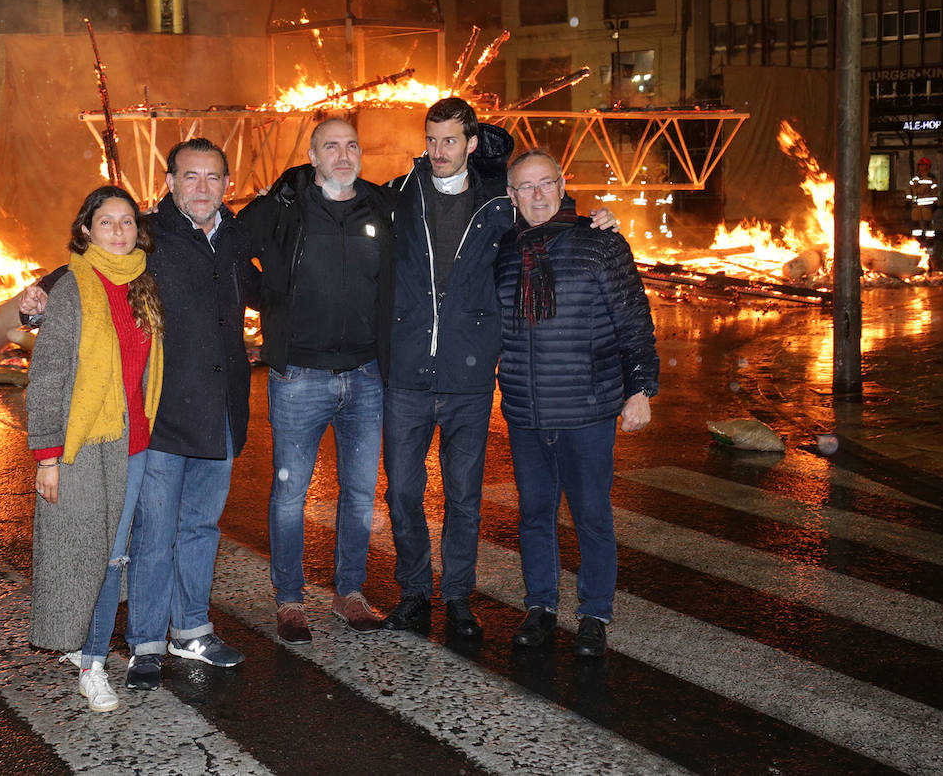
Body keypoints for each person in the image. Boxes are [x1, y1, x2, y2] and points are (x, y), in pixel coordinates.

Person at [381, 98, 618, 640]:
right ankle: (415, 591)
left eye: (449, 140)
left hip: (468, 378)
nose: (438, 151)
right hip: (408, 374)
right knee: (401, 493)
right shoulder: (400, 195)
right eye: (431, 139)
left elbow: (547, 211)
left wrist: (597, 218)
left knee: (464, 496)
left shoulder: (498, 202)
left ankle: (459, 596)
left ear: (470, 144)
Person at [493, 150, 658, 658]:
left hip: (586, 408)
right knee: (535, 515)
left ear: (562, 186)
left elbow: (634, 319)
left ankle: (593, 615)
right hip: (525, 410)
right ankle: (540, 606)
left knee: (591, 515)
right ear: (512, 196)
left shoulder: (599, 243)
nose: (537, 195)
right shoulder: (504, 251)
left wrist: (640, 390)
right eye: (525, 187)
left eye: (546, 183)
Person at [237, 117, 395, 644]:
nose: (344, 155)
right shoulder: (285, 206)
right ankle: (289, 600)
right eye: (332, 146)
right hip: (299, 375)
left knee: (359, 493)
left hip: (367, 376)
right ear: (313, 154)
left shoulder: (380, 207)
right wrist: (269, 297)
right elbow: (230, 248)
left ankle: (349, 592)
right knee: (289, 494)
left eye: (352, 144)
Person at [121, 138, 259, 690]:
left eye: (213, 177)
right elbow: (98, 268)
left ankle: (192, 631)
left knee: (200, 526)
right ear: (170, 180)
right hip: (164, 414)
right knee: (154, 532)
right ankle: (147, 643)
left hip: (222, 412)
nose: (203, 187)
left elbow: (272, 289)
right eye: (191, 176)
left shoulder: (231, 237)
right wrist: (40, 298)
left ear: (228, 183)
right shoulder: (149, 234)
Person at [26, 186, 165, 712]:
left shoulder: (141, 282)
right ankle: (93, 665)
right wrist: (47, 457)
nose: (119, 231)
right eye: (106, 222)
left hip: (134, 441)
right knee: (96, 556)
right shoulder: (70, 289)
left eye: (127, 221)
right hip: (84, 445)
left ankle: (89, 652)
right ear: (85, 230)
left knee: (112, 555)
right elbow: (47, 377)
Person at [907, 156, 939, 239]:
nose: (921, 167)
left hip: (927, 206)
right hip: (916, 206)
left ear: (928, 167)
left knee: (927, 223)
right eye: (920, 165)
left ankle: (929, 239)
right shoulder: (914, 179)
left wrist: (935, 204)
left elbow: (934, 192)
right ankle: (916, 239)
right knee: (915, 223)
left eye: (923, 165)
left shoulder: (931, 179)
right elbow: (909, 190)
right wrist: (908, 201)